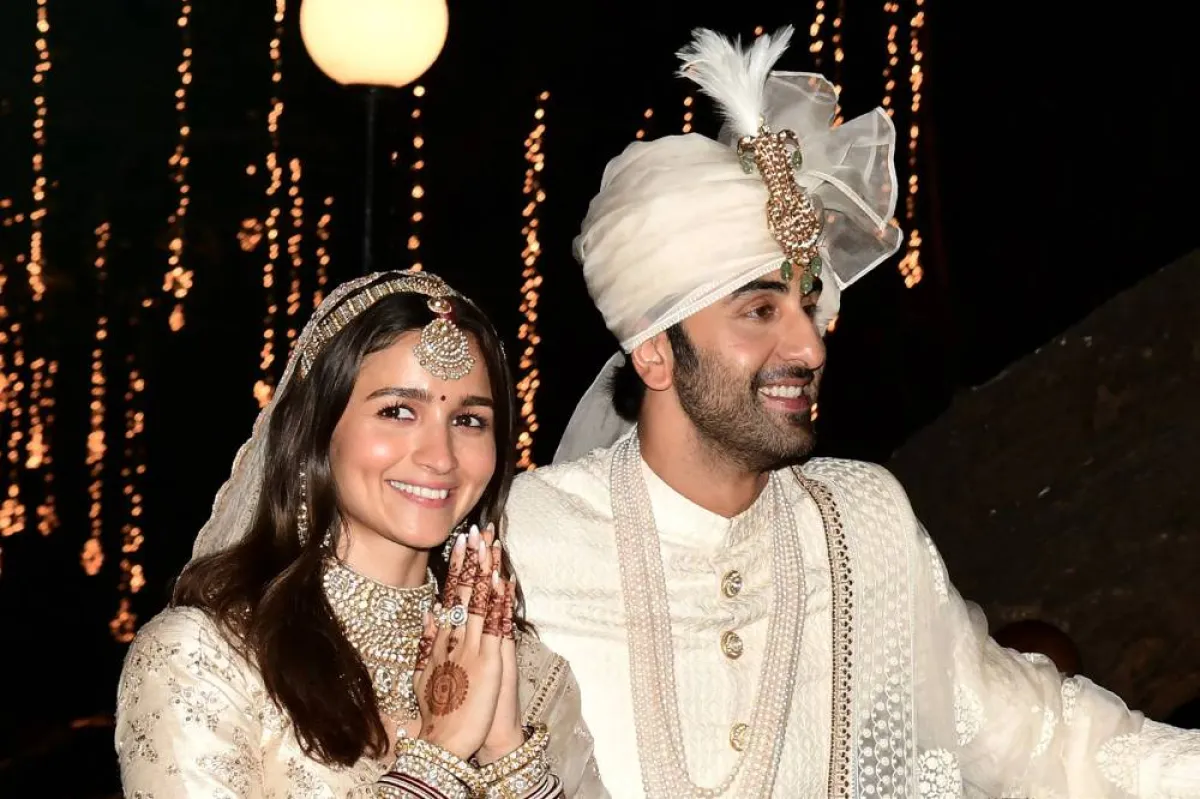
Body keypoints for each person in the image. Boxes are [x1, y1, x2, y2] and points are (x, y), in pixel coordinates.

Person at [503, 26, 1200, 798]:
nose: (809, 343)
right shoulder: (528, 538)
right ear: (655, 353)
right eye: (759, 310)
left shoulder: (861, 519)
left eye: (808, 304)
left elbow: (1042, 739)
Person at [115, 271, 607, 798]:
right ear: (317, 432)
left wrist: (508, 754)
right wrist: (434, 761)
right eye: (397, 412)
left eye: (469, 420)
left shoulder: (525, 672)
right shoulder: (208, 658)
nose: (440, 457)